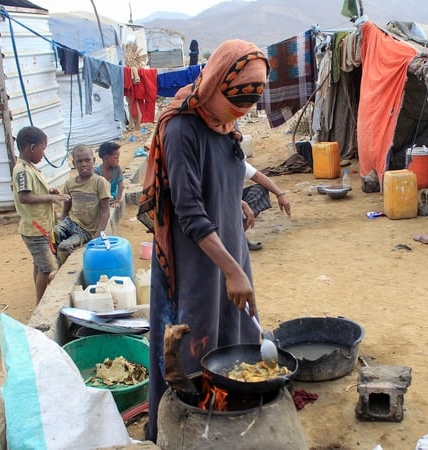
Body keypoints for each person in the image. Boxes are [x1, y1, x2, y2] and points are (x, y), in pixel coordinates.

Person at [136, 39, 269, 442]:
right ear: (214, 82)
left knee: (234, 333)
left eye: (246, 104)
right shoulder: (180, 127)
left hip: (229, 246)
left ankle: (229, 416)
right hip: (193, 260)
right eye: (233, 101)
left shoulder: (224, 125)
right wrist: (231, 269)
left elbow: (224, 178)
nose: (238, 112)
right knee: (191, 341)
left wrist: (236, 205)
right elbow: (189, 213)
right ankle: (182, 432)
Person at [11, 126, 69, 303]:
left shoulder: (29, 168)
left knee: (39, 264)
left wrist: (48, 190)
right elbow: (24, 197)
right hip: (35, 229)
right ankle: (41, 303)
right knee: (47, 268)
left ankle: (40, 298)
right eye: (43, 149)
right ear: (32, 148)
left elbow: (32, 190)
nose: (43, 154)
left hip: (40, 226)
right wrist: (51, 197)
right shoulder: (22, 170)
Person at [54, 145, 111, 265]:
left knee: (65, 246)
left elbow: (105, 211)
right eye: (79, 161)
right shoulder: (70, 183)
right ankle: (58, 262)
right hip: (71, 222)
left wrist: (98, 234)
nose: (84, 164)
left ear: (94, 161)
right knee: (55, 232)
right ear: (74, 163)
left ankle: (63, 266)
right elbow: (66, 208)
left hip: (86, 230)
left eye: (87, 160)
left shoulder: (100, 182)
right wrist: (61, 222)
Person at [241, 160, 292, 250]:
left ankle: (238, 236)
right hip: (214, 203)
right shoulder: (214, 164)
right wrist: (241, 203)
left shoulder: (236, 159)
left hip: (232, 198)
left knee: (260, 190)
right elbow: (212, 193)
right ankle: (226, 240)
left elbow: (257, 176)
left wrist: (280, 194)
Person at [94, 141, 125, 209]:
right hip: (102, 198)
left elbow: (120, 185)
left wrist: (117, 201)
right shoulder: (97, 172)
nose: (118, 160)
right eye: (116, 158)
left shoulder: (117, 169)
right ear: (106, 158)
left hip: (113, 196)